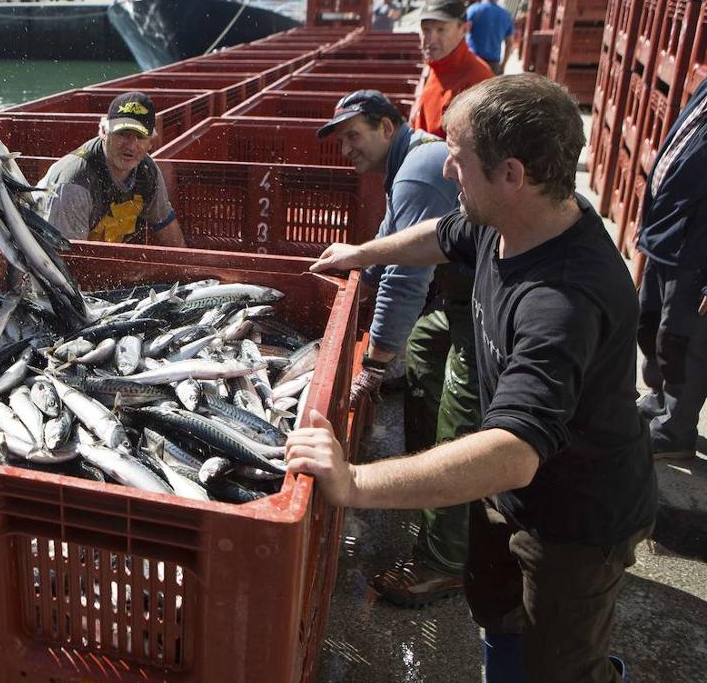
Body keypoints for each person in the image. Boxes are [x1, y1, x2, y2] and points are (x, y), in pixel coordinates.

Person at [289, 74, 657, 682]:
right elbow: (441, 236)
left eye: (457, 159)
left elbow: (514, 453)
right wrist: (362, 253)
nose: (445, 171)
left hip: (575, 517)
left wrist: (354, 481)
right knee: (494, 611)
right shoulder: (504, 219)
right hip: (509, 498)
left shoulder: (560, 300)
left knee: (558, 666)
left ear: (512, 173)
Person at [317, 90, 482, 607]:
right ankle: (421, 473)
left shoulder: (415, 170)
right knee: (428, 349)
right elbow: (386, 250)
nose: (346, 148)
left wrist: (374, 363)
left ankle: (444, 562)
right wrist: (349, 285)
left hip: (485, 300)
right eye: (341, 139)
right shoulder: (409, 165)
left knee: (462, 413)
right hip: (459, 295)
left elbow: (404, 282)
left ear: (388, 127)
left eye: (354, 135)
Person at [636, 77, 707, 460]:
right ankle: (658, 398)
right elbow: (672, 157)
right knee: (653, 327)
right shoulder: (705, 89)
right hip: (667, 240)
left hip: (698, 256)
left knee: (686, 343)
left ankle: (677, 429)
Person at [40, 92, 186, 246]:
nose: (130, 145)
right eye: (122, 134)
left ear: (150, 143)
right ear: (103, 131)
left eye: (140, 137)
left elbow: (166, 225)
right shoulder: (74, 184)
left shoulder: (148, 171)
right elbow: (65, 258)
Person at [410, 0, 494, 139]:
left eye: (441, 30)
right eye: (426, 30)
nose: (430, 39)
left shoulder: (478, 80)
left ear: (465, 28)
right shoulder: (436, 65)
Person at [467, 0, 517, 76]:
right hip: (493, 65)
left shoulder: (473, 10)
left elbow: (460, 34)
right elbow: (509, 44)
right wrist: (503, 66)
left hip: (473, 61)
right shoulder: (506, 15)